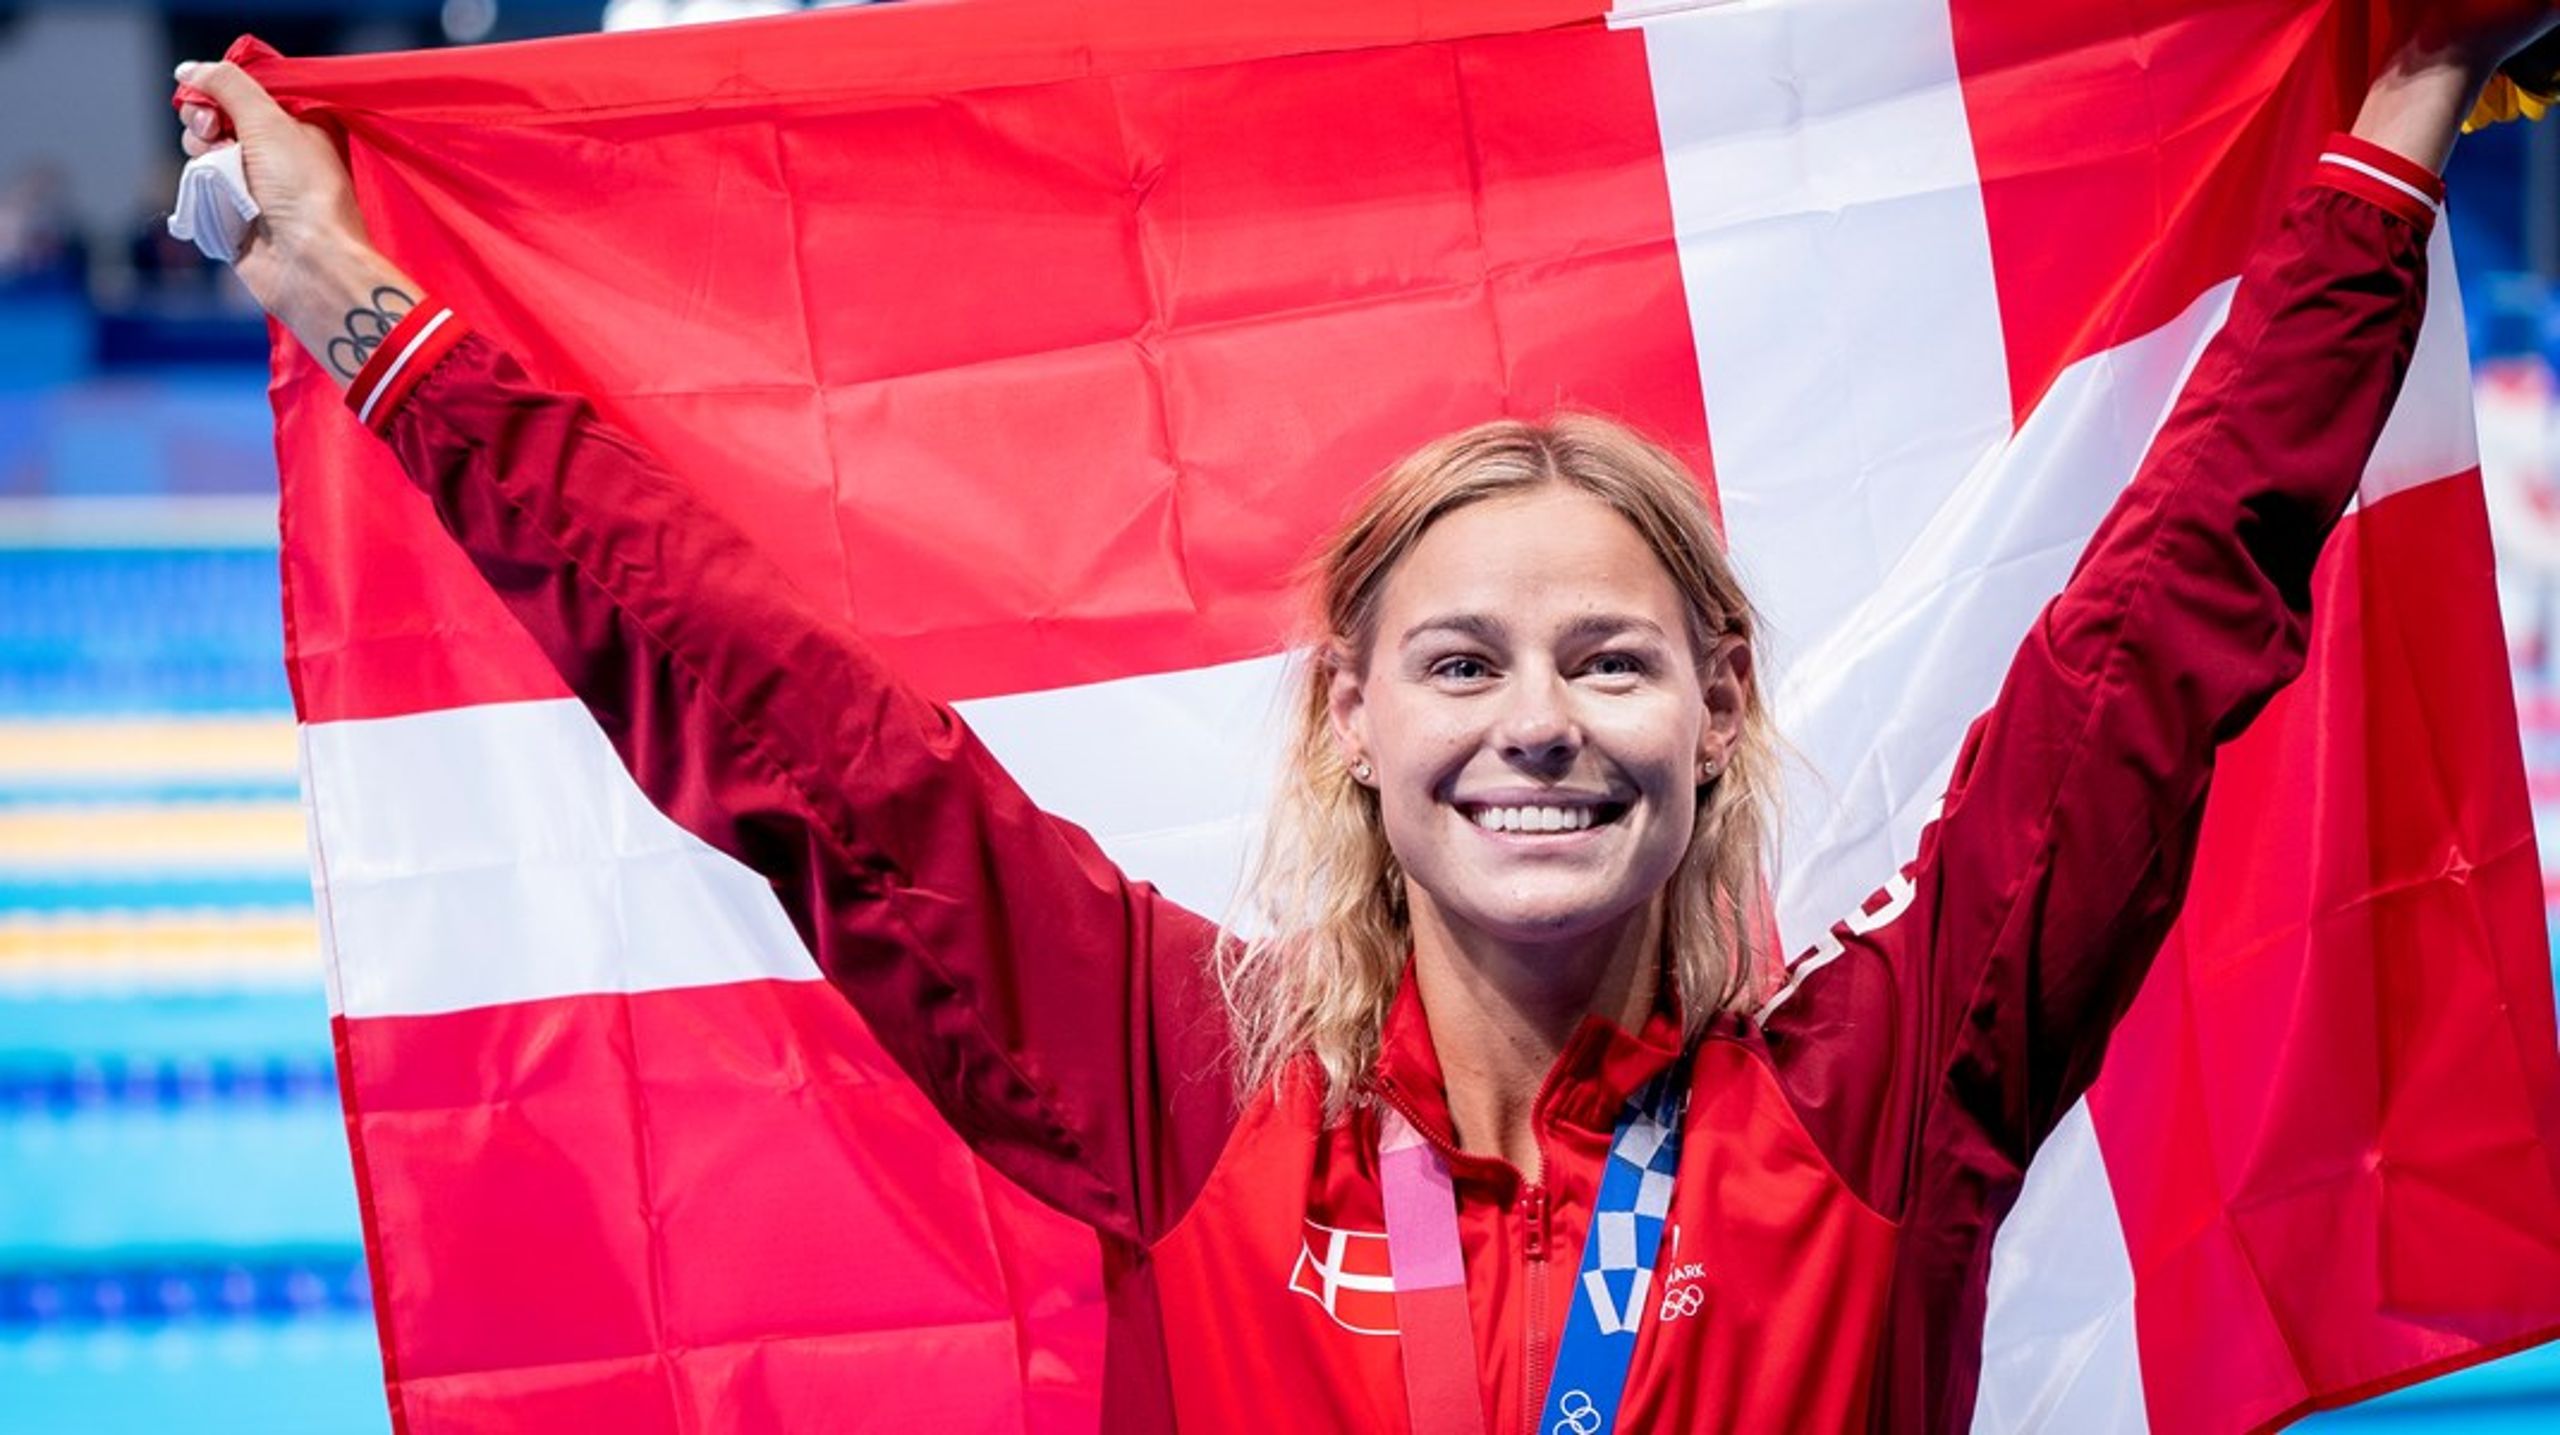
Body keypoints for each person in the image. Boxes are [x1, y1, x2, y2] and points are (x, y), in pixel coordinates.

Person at [175, 4, 2560, 1430]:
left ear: (1715, 717)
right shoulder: (1173, 1085)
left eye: (1611, 662)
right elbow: (784, 723)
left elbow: (2148, 649)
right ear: (1346, 723)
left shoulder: (1873, 1096)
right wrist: (361, 306)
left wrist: (2406, 103)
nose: (1541, 724)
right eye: (1464, 662)